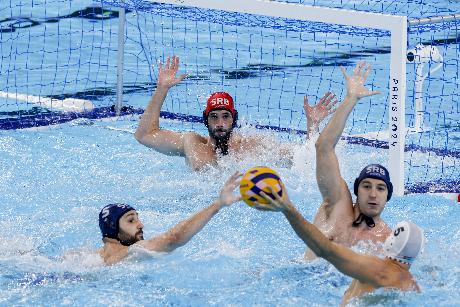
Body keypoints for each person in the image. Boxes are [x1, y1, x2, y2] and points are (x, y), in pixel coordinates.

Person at [134, 55, 337, 171]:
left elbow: (307, 159)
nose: (220, 123)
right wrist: (162, 89)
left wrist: (313, 126)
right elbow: (144, 135)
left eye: (225, 116)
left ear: (234, 119)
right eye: (214, 117)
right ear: (206, 120)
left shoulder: (255, 146)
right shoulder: (191, 144)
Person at [257, 183, 425, 306]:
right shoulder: (413, 285)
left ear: (390, 243)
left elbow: (324, 248)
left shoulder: (374, 269)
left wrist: (289, 210)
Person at [306, 61, 391, 259]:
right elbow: (323, 147)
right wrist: (351, 99)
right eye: (366, 186)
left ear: (388, 195)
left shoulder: (386, 240)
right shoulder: (337, 205)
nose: (372, 194)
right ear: (355, 190)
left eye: (380, 188)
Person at [97, 172, 242, 265]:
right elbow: (173, 238)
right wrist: (218, 204)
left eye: (137, 218)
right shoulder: (134, 252)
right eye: (131, 220)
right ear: (112, 229)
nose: (141, 225)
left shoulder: (88, 259)